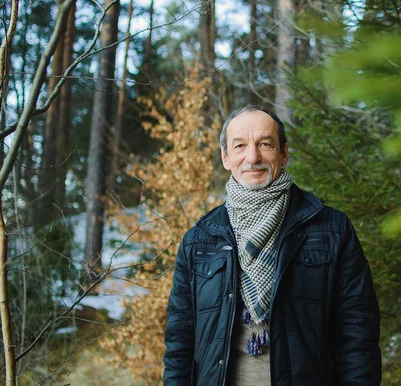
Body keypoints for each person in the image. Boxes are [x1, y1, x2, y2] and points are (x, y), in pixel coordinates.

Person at [163, 105, 381, 385]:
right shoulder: (200, 240)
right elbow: (179, 343)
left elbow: (358, 336)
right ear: (226, 157)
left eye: (265, 144)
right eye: (240, 146)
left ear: (284, 153)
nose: (252, 157)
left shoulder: (332, 229)